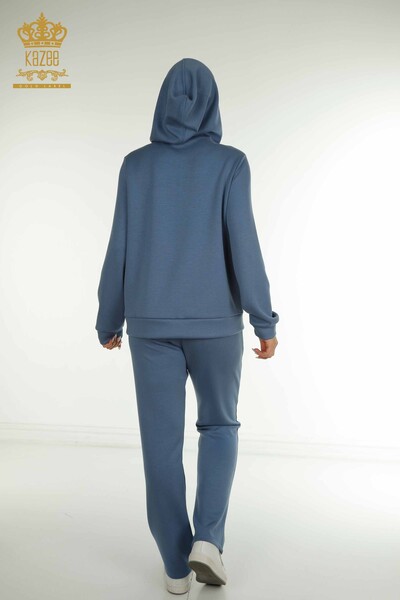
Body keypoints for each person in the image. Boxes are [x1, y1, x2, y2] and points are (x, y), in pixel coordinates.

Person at [95, 57, 279, 595]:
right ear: (212, 104)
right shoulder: (230, 163)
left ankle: (175, 566)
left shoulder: (135, 166)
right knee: (219, 426)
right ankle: (208, 542)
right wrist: (263, 319)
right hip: (216, 324)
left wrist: (109, 317)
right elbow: (244, 243)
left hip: (149, 325)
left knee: (160, 444)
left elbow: (119, 245)